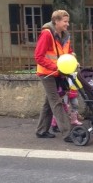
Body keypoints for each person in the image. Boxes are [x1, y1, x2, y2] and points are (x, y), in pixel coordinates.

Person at [34, 9, 75, 143]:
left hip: (58, 73)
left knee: (49, 102)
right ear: (56, 21)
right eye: (65, 21)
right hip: (47, 74)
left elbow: (68, 52)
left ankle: (41, 130)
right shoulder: (47, 34)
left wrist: (72, 57)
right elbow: (38, 56)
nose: (67, 24)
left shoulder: (65, 35)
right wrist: (56, 67)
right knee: (56, 102)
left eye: (67, 21)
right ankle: (67, 132)